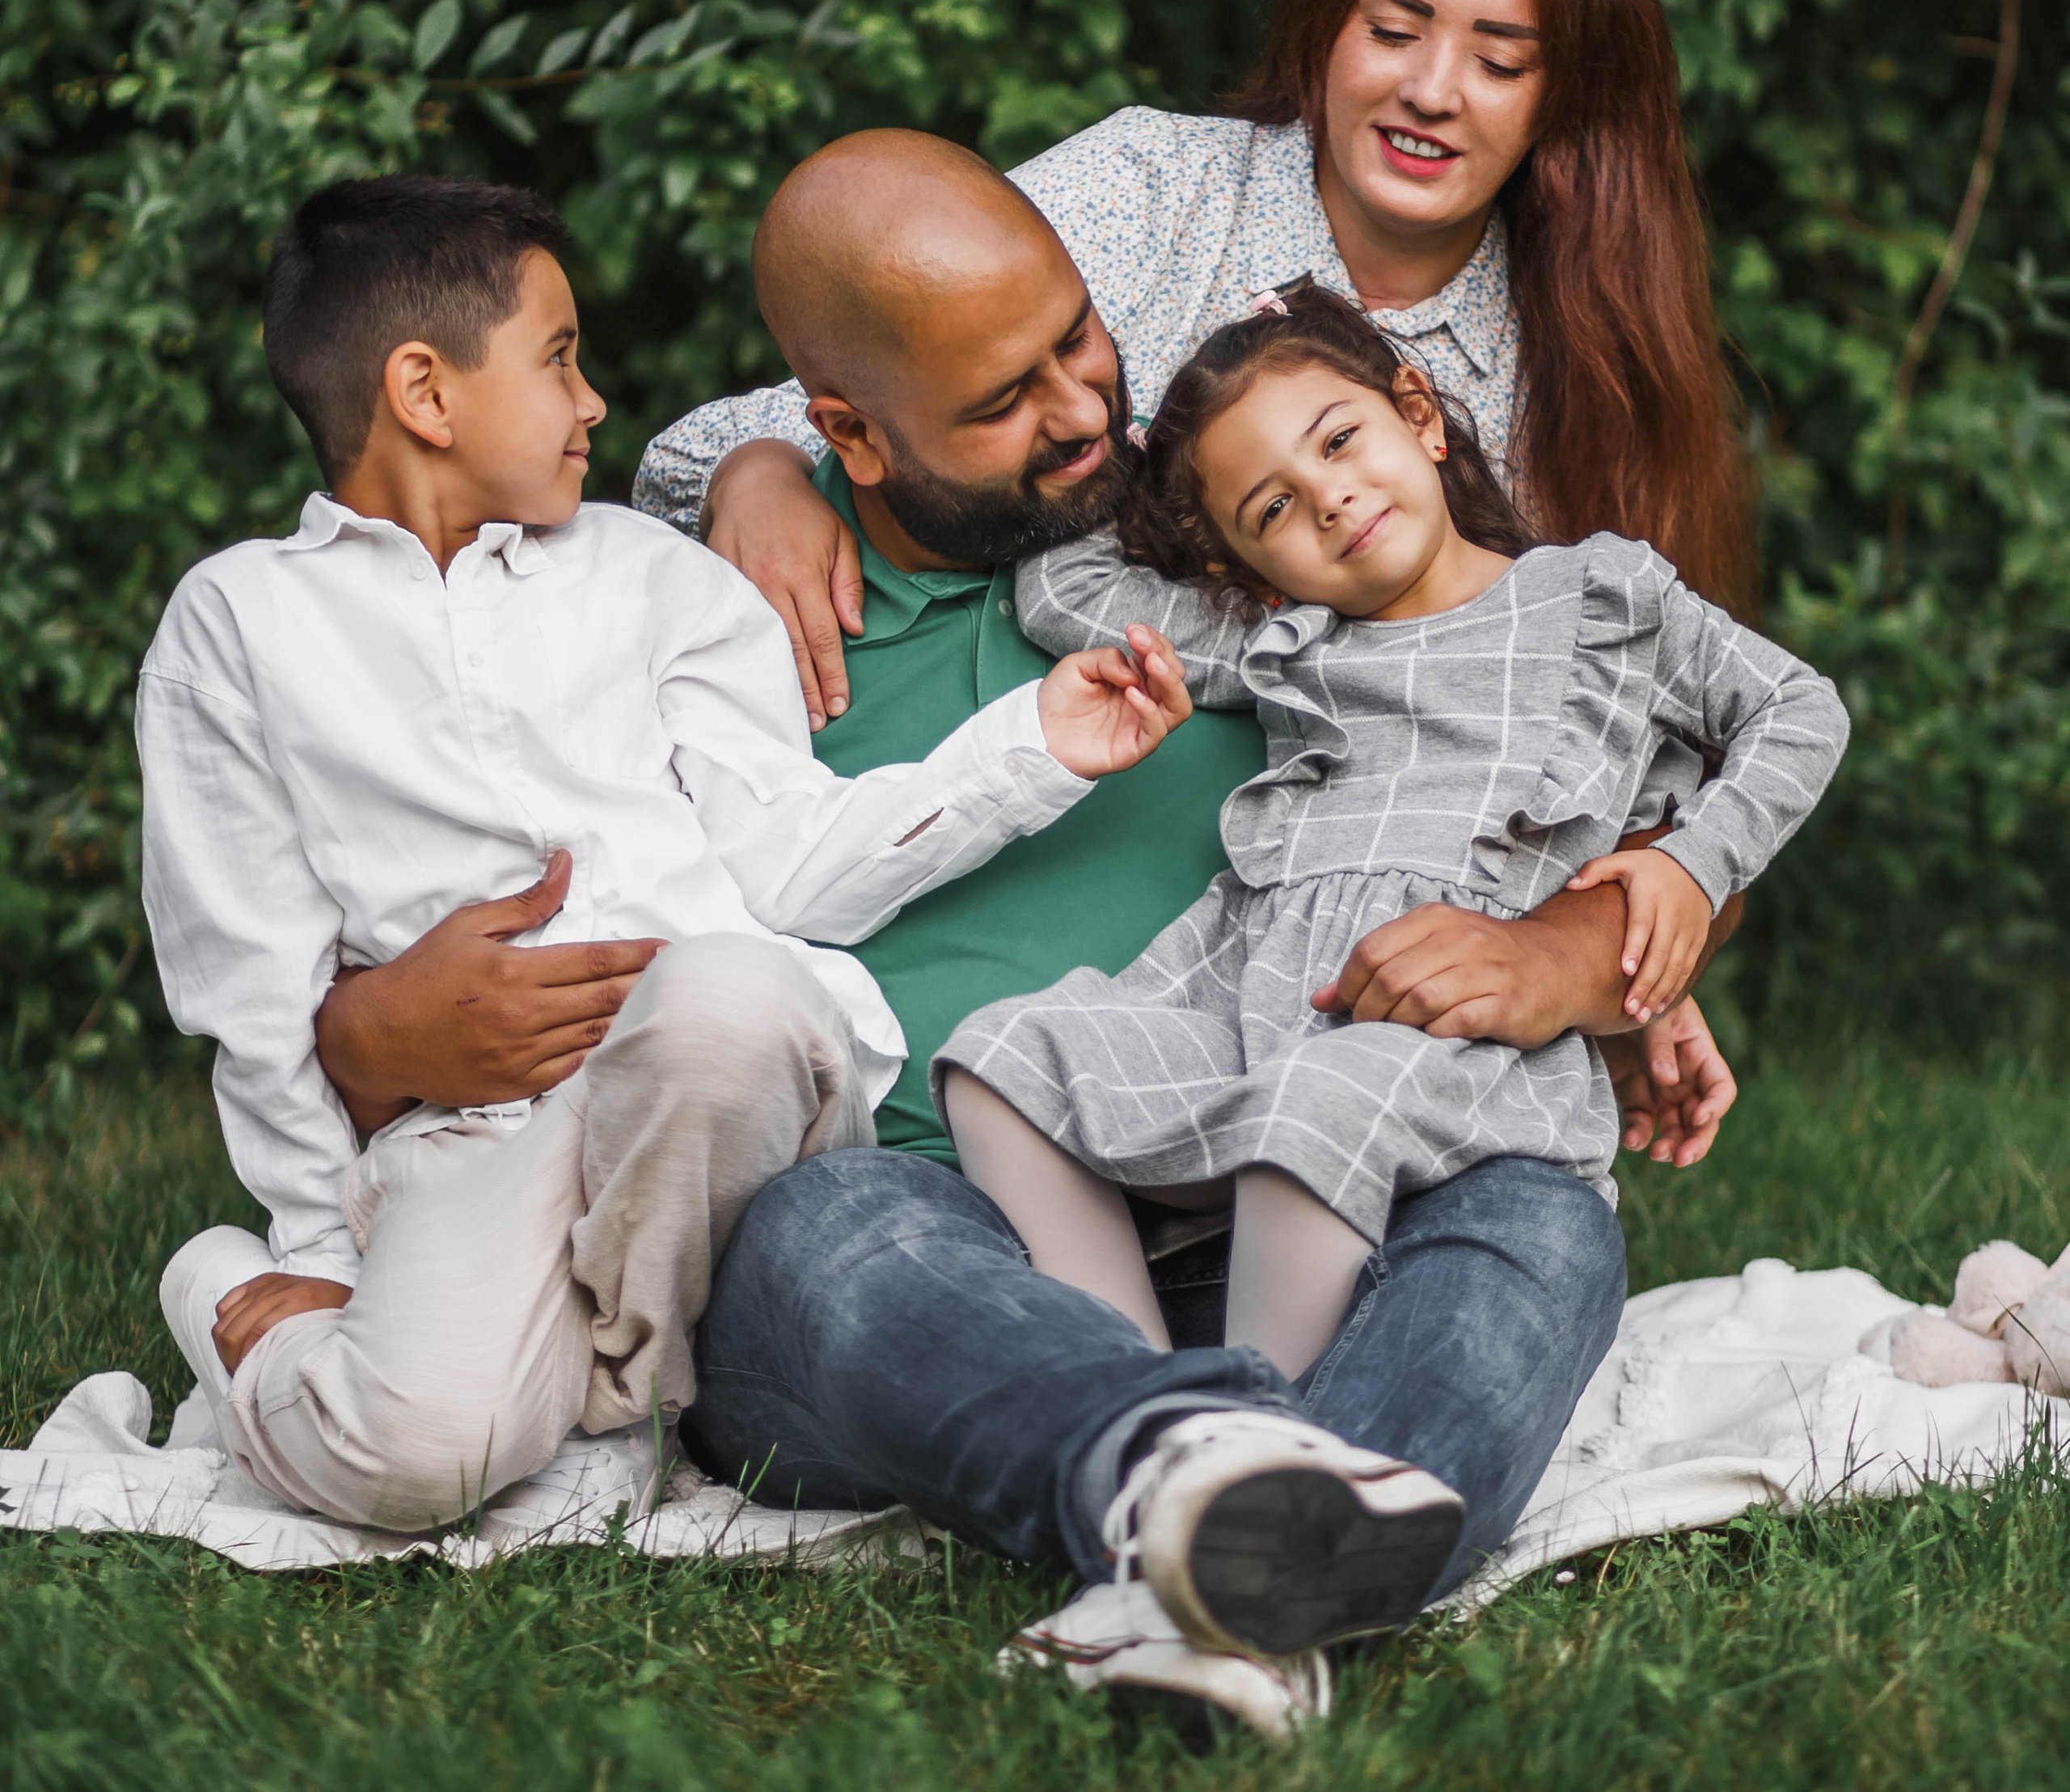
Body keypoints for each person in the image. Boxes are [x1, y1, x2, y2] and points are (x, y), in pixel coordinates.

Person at [315, 137, 1704, 1732]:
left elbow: (1507, 729)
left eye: (1077, 339)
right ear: (840, 427)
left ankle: (1205, 1575)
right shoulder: (710, 630)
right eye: (1000, 400)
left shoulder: (1236, 548)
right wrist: (364, 1036)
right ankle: (1220, 1495)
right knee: (827, 1236)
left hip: (1302, 1182)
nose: (1078, 413)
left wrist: (1595, 933)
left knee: (1539, 1216)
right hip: (934, 1272)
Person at [639, 0, 1750, 1147]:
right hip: (1031, 808)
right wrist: (755, 470)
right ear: (1328, 25)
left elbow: (1673, 767)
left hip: (1355, 952)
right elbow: (824, 390)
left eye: (1499, 59)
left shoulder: (1576, 365)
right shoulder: (1155, 192)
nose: (1431, 89)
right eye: (1393, 30)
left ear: (1563, 96)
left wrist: (1597, 957)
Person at [137, 174, 1191, 1532]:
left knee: (728, 996)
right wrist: (316, 1255)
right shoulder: (237, 627)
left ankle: (619, 1402)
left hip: (734, 1095)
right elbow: (252, 987)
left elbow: (792, 865)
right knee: (411, 1458)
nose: (594, 405)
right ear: (425, 392)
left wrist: (1031, 747)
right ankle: (228, 1297)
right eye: (561, 360)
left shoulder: (652, 575)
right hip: (478, 1148)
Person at [940, 284, 1849, 1384]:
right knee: (999, 1056)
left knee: (1314, 1103)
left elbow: (1798, 710)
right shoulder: (1285, 643)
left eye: (1339, 440)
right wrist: (1132, 451)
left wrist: (1691, 864)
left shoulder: (1598, 598)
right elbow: (1058, 587)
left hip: (1453, 1034)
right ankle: (1133, 1401)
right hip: (1252, 1008)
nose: (1327, 498)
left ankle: (1247, 1431)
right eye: (1271, 509)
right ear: (1242, 567)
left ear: (1419, 413)